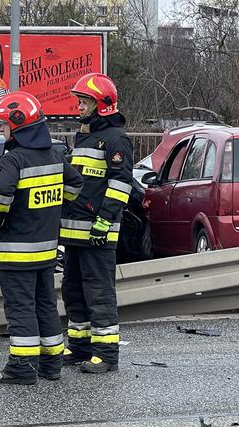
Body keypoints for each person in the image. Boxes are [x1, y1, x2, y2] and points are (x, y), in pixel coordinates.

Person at [0, 91, 83, 385]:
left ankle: (21, 367)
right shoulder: (54, 154)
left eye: (3, 124)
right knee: (45, 305)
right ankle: (51, 363)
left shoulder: (13, 160)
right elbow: (75, 184)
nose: (1, 130)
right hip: (46, 252)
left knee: (20, 308)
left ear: (17, 126)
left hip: (17, 252)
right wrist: (54, 209)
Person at [60, 72, 134, 374]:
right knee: (73, 289)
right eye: (79, 99)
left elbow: (120, 185)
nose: (78, 105)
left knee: (99, 292)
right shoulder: (85, 135)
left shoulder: (116, 139)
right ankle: (79, 346)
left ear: (101, 104)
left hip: (98, 231)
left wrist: (104, 222)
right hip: (75, 231)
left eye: (85, 100)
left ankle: (106, 354)